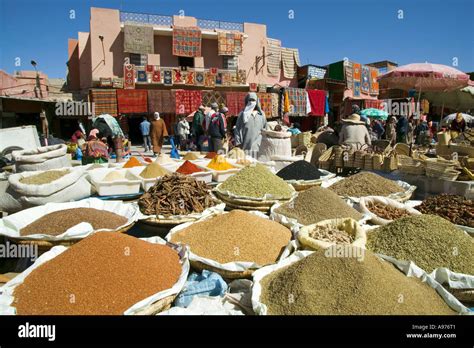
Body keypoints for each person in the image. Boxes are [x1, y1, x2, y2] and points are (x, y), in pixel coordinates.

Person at [234, 92, 267, 157]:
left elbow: (265, 128)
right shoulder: (242, 114)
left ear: (257, 101)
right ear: (247, 101)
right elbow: (237, 129)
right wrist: (238, 143)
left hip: (258, 145)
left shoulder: (261, 114)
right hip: (245, 145)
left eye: (253, 100)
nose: (251, 102)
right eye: (250, 100)